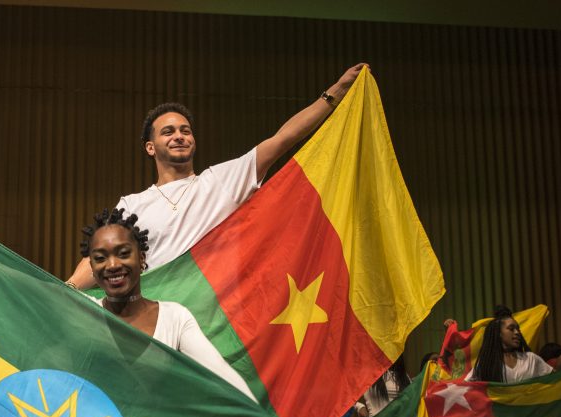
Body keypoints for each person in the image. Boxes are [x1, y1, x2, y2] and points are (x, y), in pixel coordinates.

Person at [62, 65, 367, 287]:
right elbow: (102, 254)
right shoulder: (132, 204)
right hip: (155, 318)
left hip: (217, 316)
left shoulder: (222, 180)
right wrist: (70, 287)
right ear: (151, 147)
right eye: (168, 132)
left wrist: (334, 94)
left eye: (186, 130)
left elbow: (282, 139)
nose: (179, 136)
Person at [80, 207, 254, 400]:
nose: (112, 265)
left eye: (123, 253)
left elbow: (225, 380)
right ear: (92, 269)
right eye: (100, 258)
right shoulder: (81, 311)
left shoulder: (174, 318)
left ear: (141, 259)